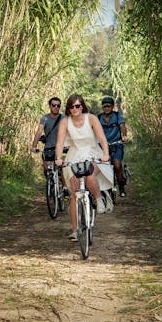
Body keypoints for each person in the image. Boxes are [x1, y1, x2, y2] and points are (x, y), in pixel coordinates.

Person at [54, 94, 114, 242]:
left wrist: (106, 154)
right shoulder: (65, 122)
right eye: (72, 106)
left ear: (82, 106)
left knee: (89, 175)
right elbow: (60, 142)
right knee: (74, 193)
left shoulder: (91, 118)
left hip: (93, 153)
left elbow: (101, 138)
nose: (75, 109)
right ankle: (75, 230)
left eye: (78, 106)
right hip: (74, 155)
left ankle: (99, 199)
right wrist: (58, 158)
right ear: (68, 108)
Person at [30, 97, 68, 195]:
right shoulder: (45, 118)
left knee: (62, 166)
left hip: (62, 147)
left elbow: (69, 131)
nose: (56, 107)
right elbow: (39, 132)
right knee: (46, 168)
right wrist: (34, 146)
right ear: (50, 106)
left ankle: (64, 187)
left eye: (58, 105)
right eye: (53, 105)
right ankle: (50, 183)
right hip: (49, 147)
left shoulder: (63, 118)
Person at [98, 96, 128, 197]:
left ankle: (121, 186)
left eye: (109, 106)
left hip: (116, 144)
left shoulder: (117, 115)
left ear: (112, 107)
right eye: (105, 106)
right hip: (103, 146)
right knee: (102, 166)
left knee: (117, 165)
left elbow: (122, 126)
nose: (107, 108)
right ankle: (104, 189)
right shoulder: (99, 118)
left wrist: (124, 136)